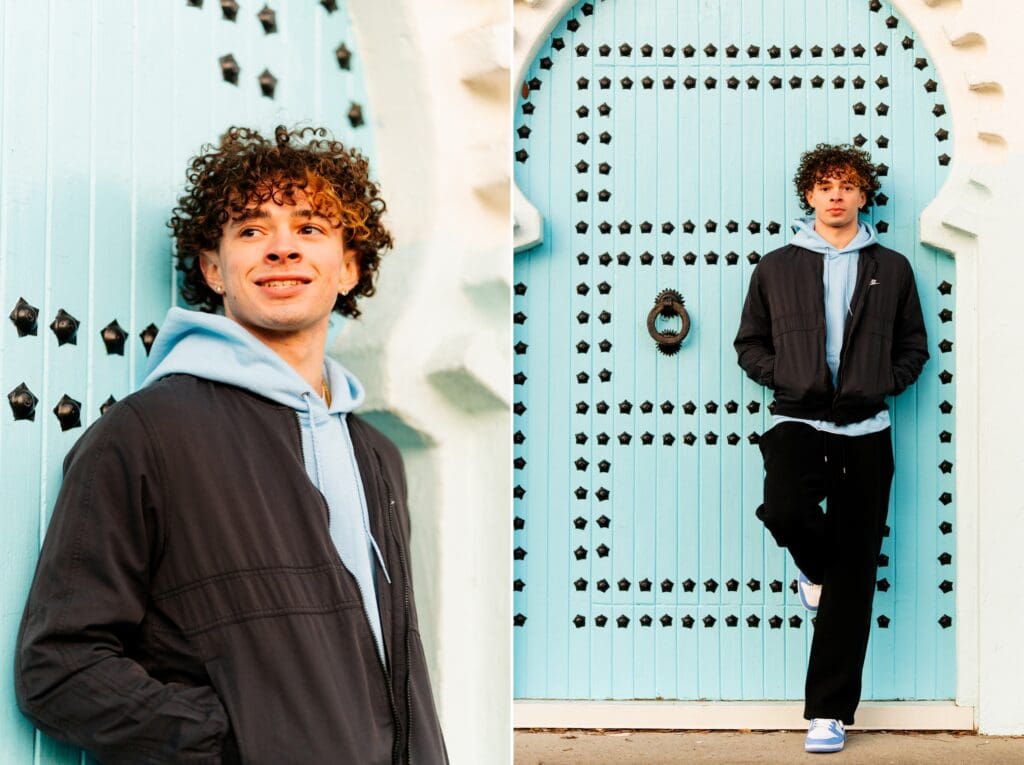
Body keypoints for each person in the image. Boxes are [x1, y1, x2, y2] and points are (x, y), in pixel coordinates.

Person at [14, 126, 448, 765]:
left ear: (349, 267)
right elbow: (59, 668)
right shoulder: (145, 434)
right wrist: (234, 738)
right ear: (213, 270)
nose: (281, 249)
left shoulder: (376, 455)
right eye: (251, 230)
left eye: (310, 228)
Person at [734, 143, 929, 754]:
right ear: (809, 196)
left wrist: (881, 383)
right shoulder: (776, 266)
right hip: (798, 419)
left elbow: (914, 346)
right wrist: (786, 376)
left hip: (867, 431)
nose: (836, 194)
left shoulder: (892, 267)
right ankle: (816, 572)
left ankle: (828, 712)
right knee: (786, 511)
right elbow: (749, 343)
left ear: (864, 194)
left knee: (856, 577)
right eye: (825, 185)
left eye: (847, 184)